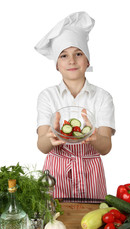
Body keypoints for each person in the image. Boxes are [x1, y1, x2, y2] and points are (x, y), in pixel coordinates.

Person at [35, 12, 115, 201]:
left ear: (87, 60)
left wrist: (94, 137)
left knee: (91, 223)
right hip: (56, 175)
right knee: (55, 221)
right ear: (57, 65)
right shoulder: (47, 96)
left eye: (78, 54)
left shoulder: (103, 97)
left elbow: (105, 147)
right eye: (64, 56)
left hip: (91, 172)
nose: (71, 60)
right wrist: (50, 136)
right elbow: (42, 145)